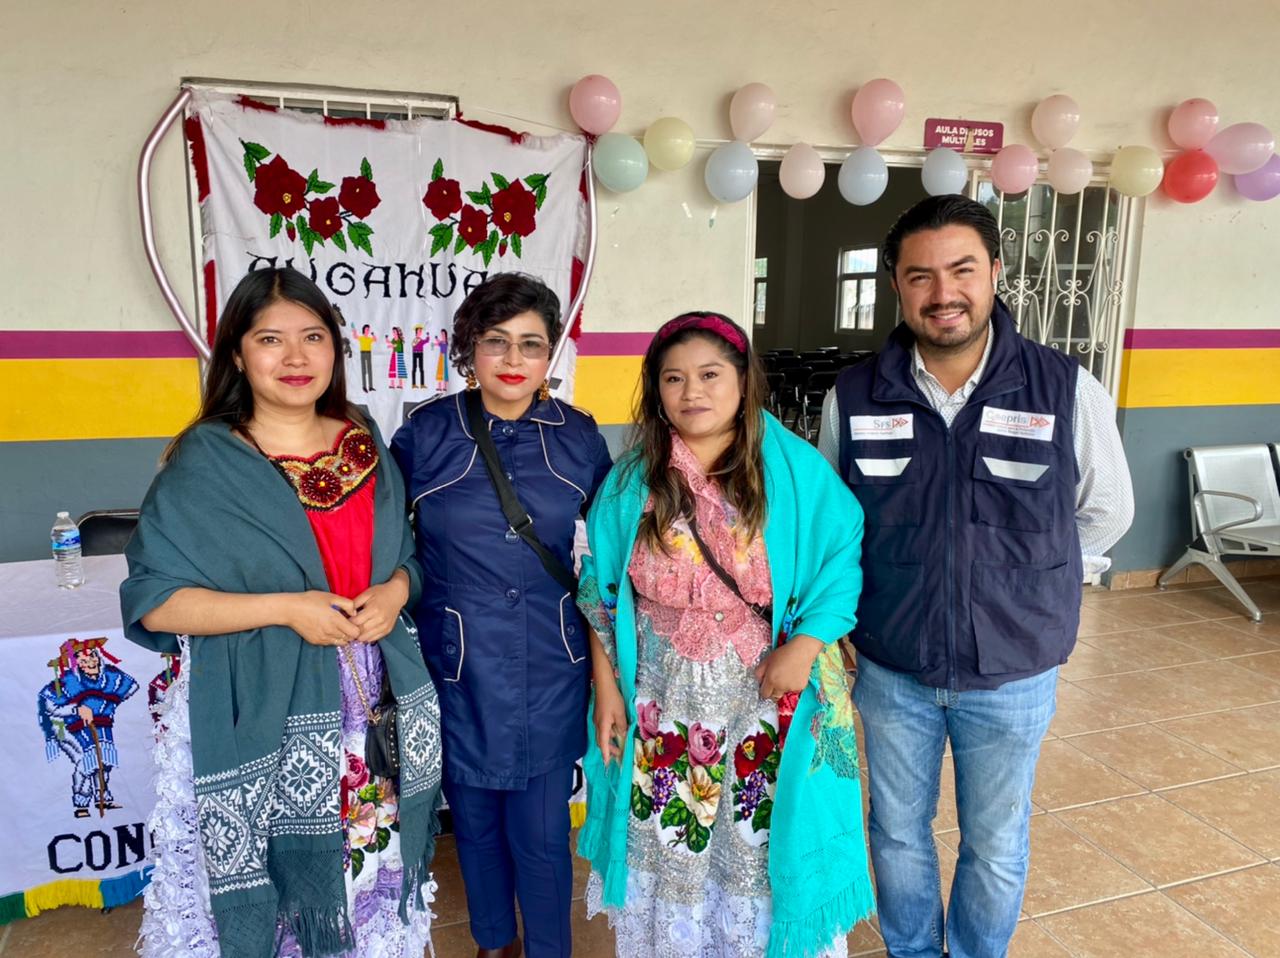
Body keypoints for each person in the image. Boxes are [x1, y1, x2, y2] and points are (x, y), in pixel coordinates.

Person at [817, 195, 1134, 958]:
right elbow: (835, 524)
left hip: (1013, 672)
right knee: (896, 832)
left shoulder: (1065, 388)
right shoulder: (853, 396)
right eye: (920, 276)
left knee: (995, 842)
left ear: (995, 272)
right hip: (893, 666)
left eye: (962, 270)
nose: (943, 293)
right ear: (897, 286)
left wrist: (1036, 589)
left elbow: (1106, 513)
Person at [120, 267, 443, 958]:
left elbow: (408, 560)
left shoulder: (362, 440)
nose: (296, 357)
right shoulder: (206, 461)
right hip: (256, 708)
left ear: (335, 349)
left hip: (365, 713)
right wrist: (287, 609)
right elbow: (158, 600)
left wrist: (394, 592)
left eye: (313, 336)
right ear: (237, 355)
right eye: (270, 339)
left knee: (364, 893)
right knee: (271, 911)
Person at [579, 312, 874, 958]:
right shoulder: (632, 483)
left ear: (744, 381)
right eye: (674, 378)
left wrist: (805, 646)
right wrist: (607, 691)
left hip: (765, 700)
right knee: (676, 840)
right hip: (664, 705)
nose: (692, 392)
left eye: (710, 375)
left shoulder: (792, 473)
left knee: (758, 844)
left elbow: (842, 557)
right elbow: (601, 590)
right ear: (656, 390)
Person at [392, 272, 612, 958]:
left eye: (531, 344)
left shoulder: (579, 438)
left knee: (542, 834)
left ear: (551, 354)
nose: (513, 360)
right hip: (456, 666)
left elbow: (611, 559)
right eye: (495, 341)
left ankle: (548, 950)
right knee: (476, 825)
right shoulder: (426, 435)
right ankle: (492, 944)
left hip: (551, 663)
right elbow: (389, 546)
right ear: (469, 350)